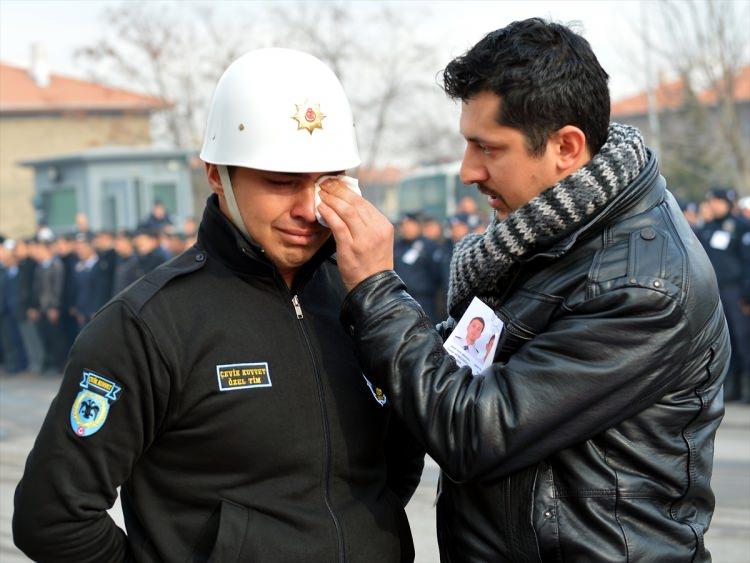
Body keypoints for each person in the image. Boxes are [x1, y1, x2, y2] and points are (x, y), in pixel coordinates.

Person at [317, 18, 730, 561]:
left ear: (566, 147)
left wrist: (376, 289)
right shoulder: (545, 237)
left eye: (487, 148)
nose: (468, 171)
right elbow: (461, 359)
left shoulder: (643, 284)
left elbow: (475, 430)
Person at [14, 47, 423, 563]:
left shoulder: (364, 302)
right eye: (280, 182)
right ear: (216, 174)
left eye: (327, 182)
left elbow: (399, 466)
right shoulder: (149, 326)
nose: (307, 209)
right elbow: (52, 518)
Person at [698, 187, 750, 402]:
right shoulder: (708, 227)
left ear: (727, 203)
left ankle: (747, 388)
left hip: (736, 292)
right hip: (715, 292)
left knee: (743, 340)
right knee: (722, 342)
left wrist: (747, 294)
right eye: (712, 201)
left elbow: (748, 263)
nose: (714, 205)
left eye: (718, 201)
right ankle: (731, 389)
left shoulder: (740, 227)